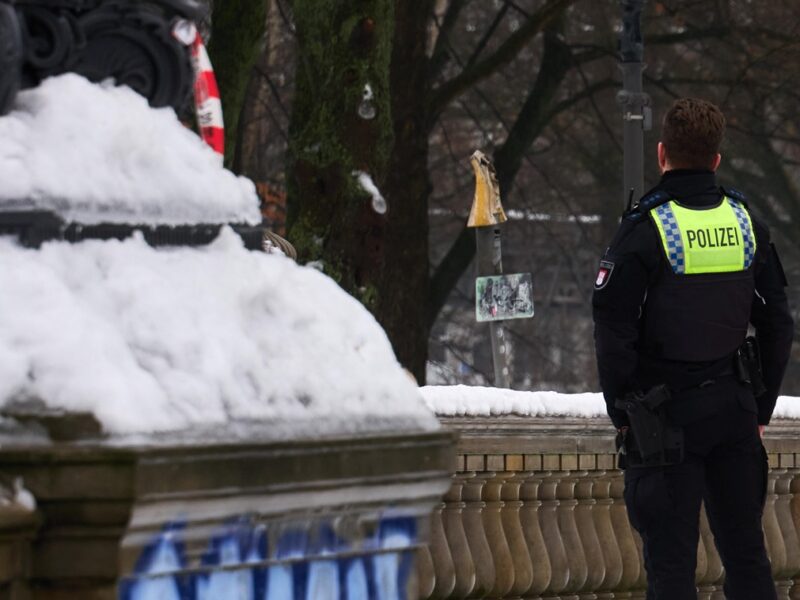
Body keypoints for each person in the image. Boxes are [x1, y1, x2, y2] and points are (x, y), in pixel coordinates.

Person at [592, 98, 794, 599]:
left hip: (664, 421)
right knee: (747, 556)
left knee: (671, 566)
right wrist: (759, 406)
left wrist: (622, 411)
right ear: (716, 159)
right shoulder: (747, 224)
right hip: (734, 411)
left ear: (662, 154)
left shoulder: (645, 229)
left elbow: (611, 330)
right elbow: (778, 324)